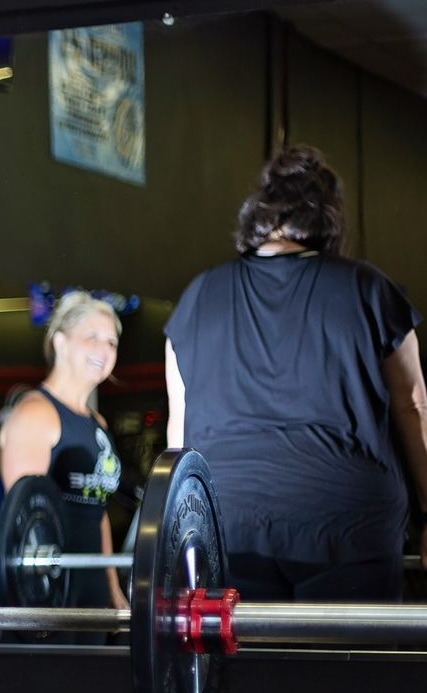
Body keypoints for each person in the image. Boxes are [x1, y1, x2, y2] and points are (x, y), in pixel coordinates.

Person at [166, 144, 427, 601]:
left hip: (229, 526)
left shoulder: (196, 298)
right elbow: (414, 405)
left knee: (245, 669)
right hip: (350, 524)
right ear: (330, 216)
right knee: (348, 669)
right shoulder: (369, 289)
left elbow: (178, 433)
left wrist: (178, 530)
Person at [0, 292, 127, 610]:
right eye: (92, 337)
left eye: (111, 342)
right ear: (60, 343)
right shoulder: (37, 413)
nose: (104, 349)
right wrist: (42, 599)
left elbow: (97, 513)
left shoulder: (97, 422)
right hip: (49, 590)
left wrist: (112, 588)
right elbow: (25, 520)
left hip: (91, 585)